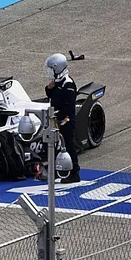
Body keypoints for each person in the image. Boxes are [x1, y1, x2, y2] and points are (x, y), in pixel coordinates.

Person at [45, 52, 81, 183]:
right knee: (54, 146)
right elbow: (52, 96)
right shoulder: (58, 82)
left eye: (52, 69)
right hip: (56, 119)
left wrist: (58, 116)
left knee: (68, 146)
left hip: (66, 120)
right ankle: (56, 171)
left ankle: (74, 173)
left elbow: (70, 106)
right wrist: (49, 88)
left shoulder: (68, 84)